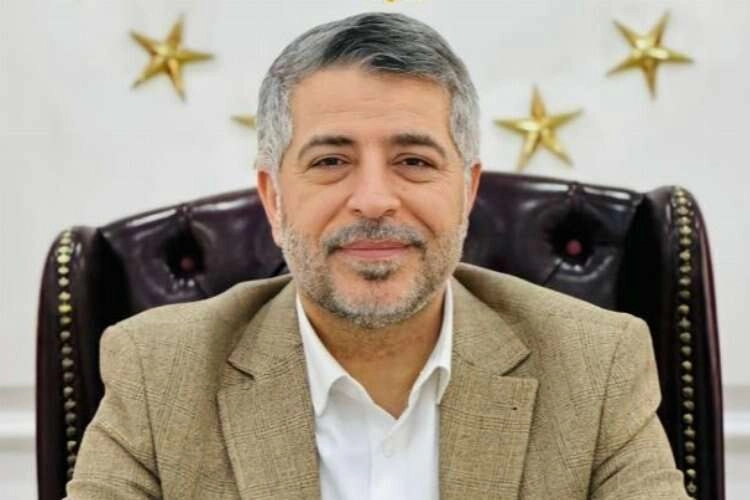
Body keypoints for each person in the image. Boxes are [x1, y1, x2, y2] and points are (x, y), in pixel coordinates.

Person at [67, 12, 690, 500]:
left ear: (467, 191)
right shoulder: (159, 372)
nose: (373, 199)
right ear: (274, 198)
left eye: (413, 161)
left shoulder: (595, 365)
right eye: (330, 161)